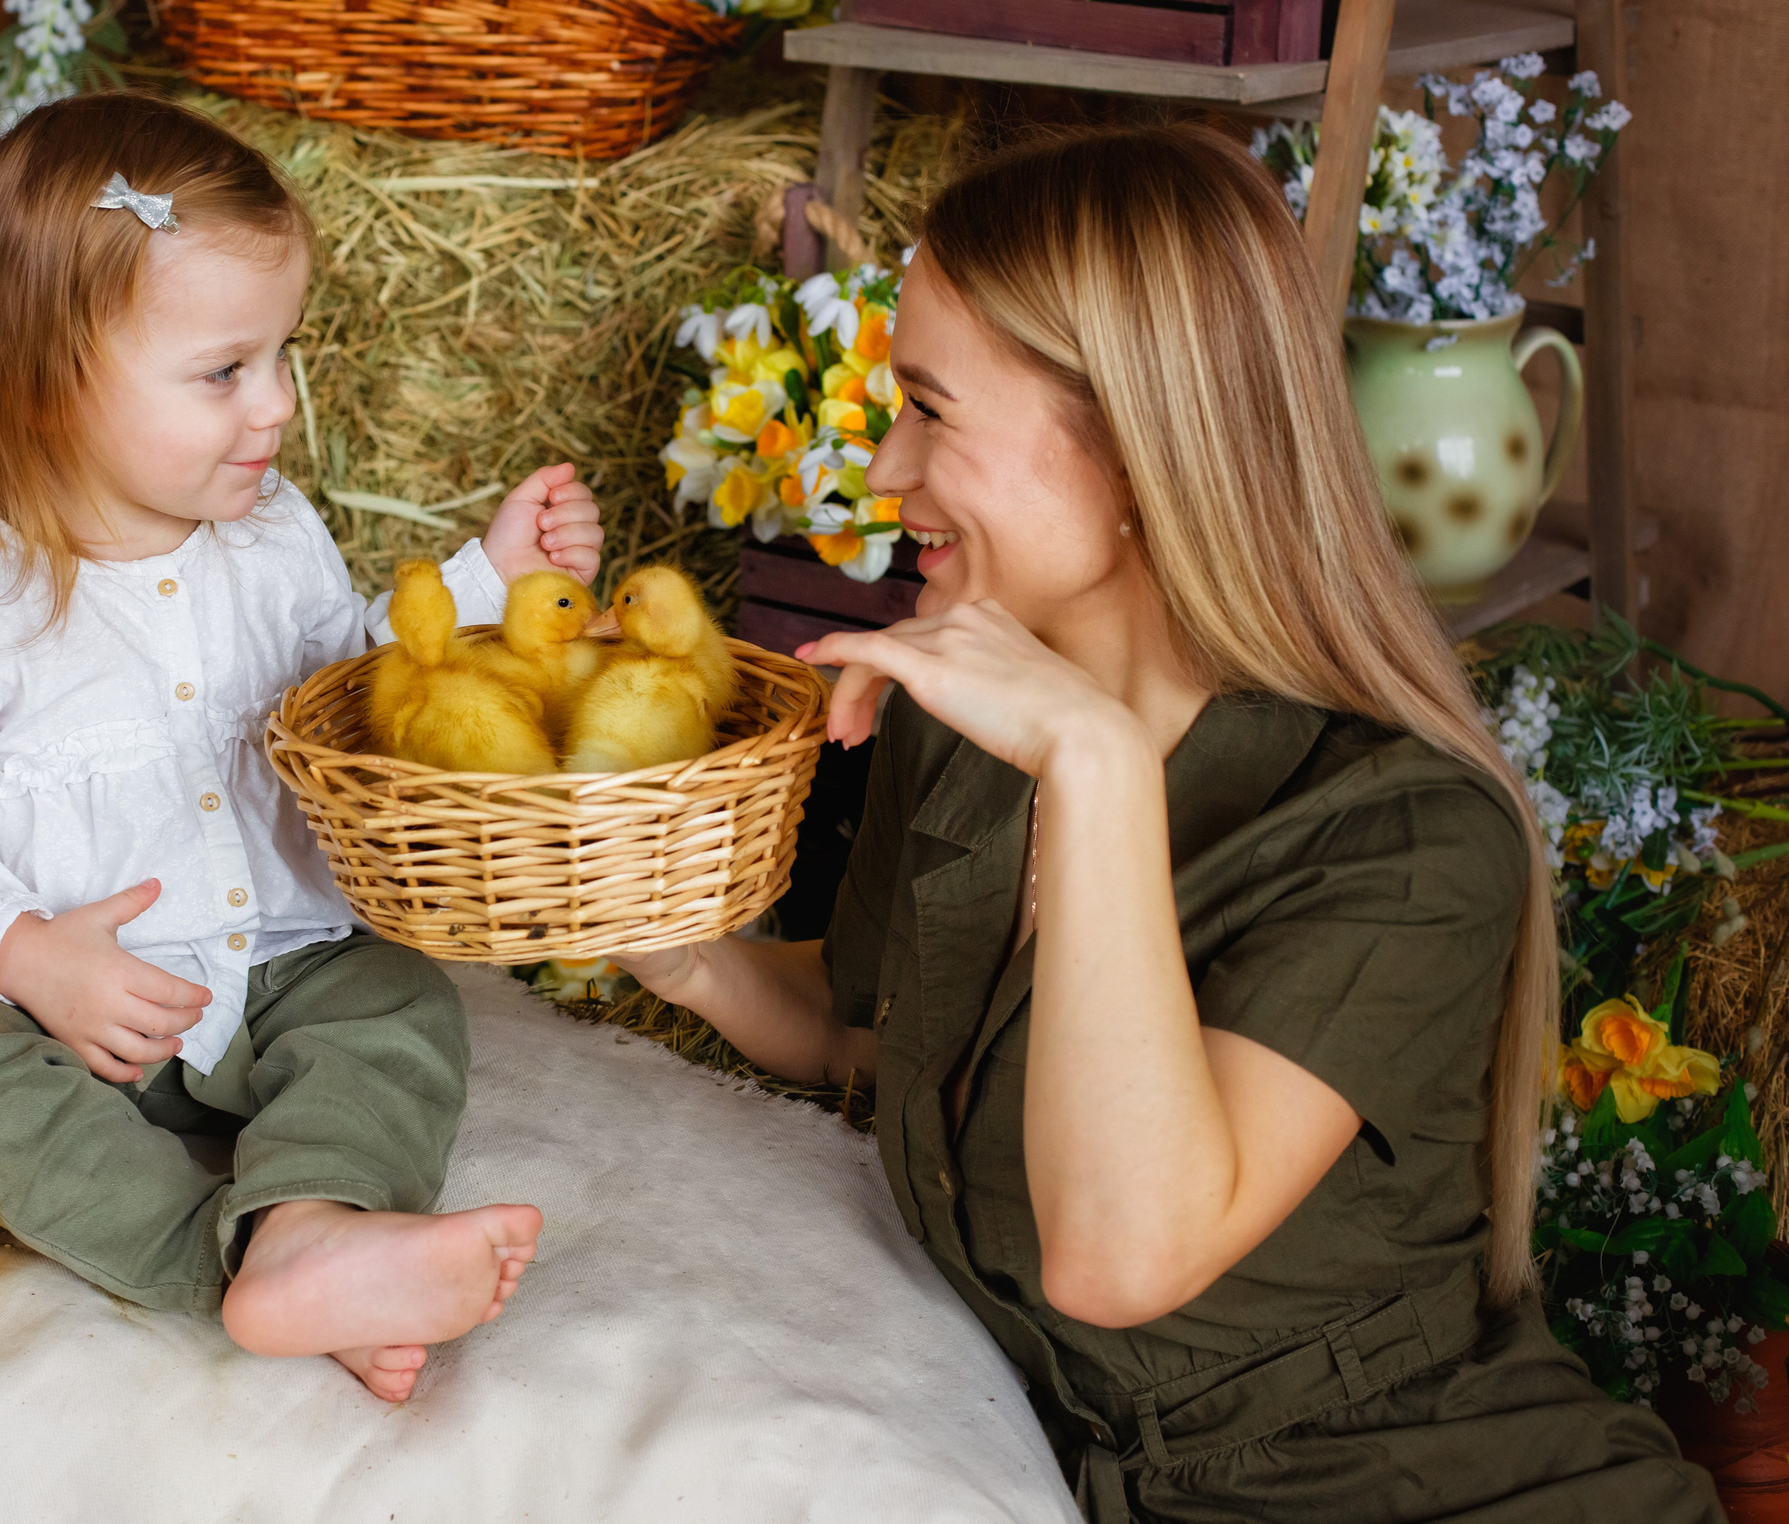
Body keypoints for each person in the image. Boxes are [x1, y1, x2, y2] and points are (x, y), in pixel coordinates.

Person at [610, 127, 1721, 1520]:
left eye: (931, 410)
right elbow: (864, 1031)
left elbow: (1117, 1257)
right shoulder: (963, 721)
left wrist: (1095, 764)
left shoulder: (1410, 842)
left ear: (1133, 453)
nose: (887, 471)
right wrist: (682, 951)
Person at [0, 93, 594, 1402]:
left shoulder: (271, 535)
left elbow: (342, 690)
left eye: (283, 354)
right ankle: (227, 1261)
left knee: (397, 1004)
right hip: (56, 1018)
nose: (276, 406)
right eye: (225, 372)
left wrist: (480, 587)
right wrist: (26, 956)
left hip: (277, 971)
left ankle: (313, 1217)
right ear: (45, 384)